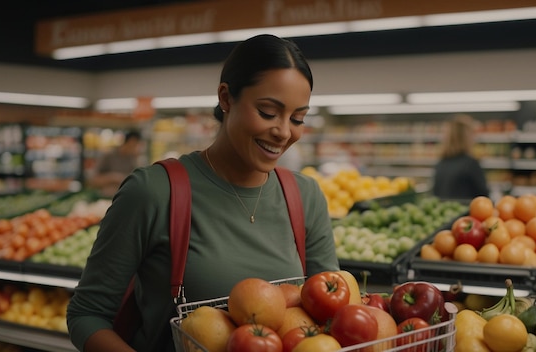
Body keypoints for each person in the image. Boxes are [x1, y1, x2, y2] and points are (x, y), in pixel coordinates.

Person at [67, 34, 340, 352]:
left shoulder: (305, 196)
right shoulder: (154, 192)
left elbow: (330, 316)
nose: (283, 131)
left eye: (297, 119)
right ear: (226, 98)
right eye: (267, 112)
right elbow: (87, 315)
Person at [431, 114, 489, 201]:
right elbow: (484, 198)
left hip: (446, 213)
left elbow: (435, 193)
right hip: (467, 213)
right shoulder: (470, 164)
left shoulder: (441, 164)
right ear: (466, 137)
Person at [87, 130, 143, 197]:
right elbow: (93, 181)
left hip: (124, 198)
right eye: (135, 145)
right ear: (130, 141)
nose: (137, 148)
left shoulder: (133, 160)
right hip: (104, 198)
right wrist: (113, 177)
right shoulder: (108, 156)